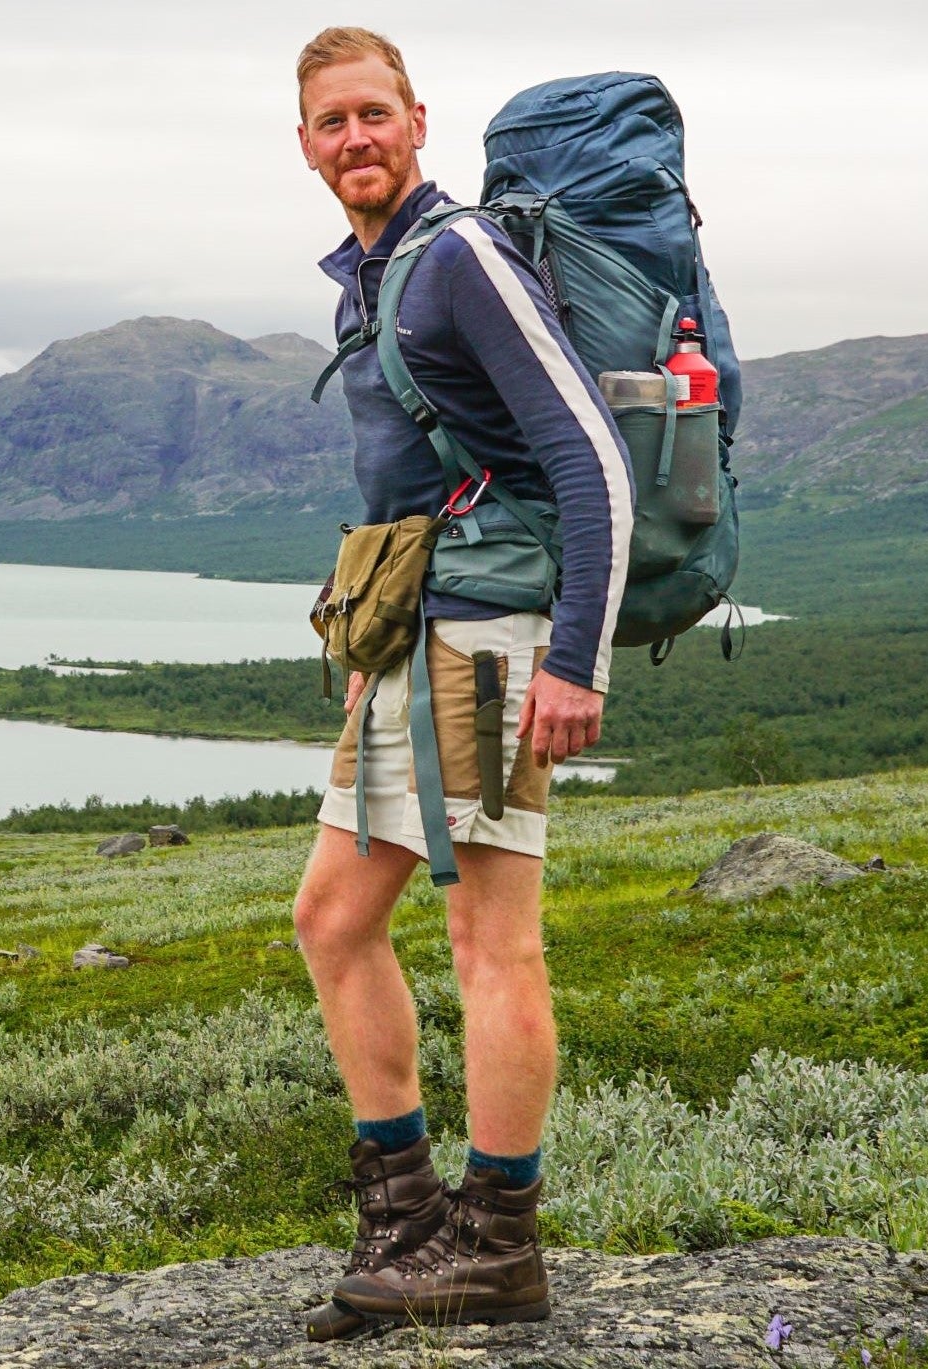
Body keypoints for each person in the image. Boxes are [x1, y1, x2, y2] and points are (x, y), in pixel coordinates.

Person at [286, 26, 635, 1333]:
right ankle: (406, 1223)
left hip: (488, 647)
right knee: (332, 918)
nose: (356, 138)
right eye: (332, 121)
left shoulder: (463, 257)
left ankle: (497, 1235)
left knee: (493, 938)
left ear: (418, 120)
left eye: (374, 113)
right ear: (306, 143)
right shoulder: (368, 275)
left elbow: (591, 453)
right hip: (407, 641)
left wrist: (573, 656)